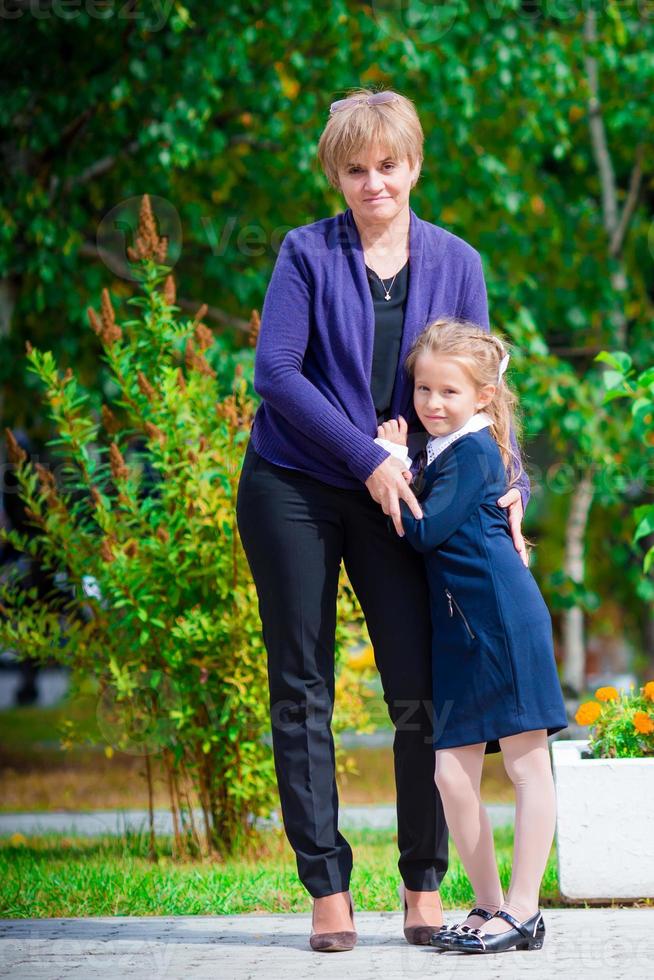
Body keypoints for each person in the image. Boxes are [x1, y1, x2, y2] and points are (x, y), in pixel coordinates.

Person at [235, 88, 531, 952]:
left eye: (388, 166)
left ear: (414, 166)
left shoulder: (457, 261)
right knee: (302, 682)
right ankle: (327, 885)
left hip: (403, 493)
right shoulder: (303, 253)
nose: (374, 183)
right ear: (338, 172)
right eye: (356, 169)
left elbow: (478, 387)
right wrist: (367, 456)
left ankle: (421, 880)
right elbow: (276, 377)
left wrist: (508, 478)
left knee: (419, 686)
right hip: (293, 482)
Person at [378, 317, 567, 955]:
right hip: (463, 633)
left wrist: (392, 464)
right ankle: (488, 904)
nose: (432, 404)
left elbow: (426, 533)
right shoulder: (451, 448)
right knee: (451, 778)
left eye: (449, 392)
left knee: (524, 763)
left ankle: (524, 910)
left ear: (483, 395)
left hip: (504, 622)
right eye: (424, 390)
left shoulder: (475, 451)